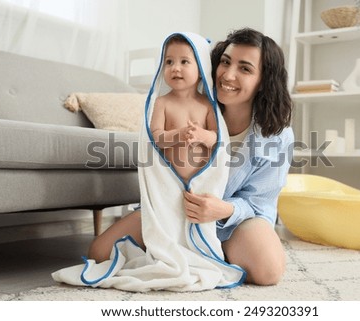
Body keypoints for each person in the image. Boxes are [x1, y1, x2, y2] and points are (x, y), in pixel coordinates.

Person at [88, 28, 294, 286]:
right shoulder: (195, 102)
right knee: (99, 255)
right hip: (173, 208)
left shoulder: (276, 136)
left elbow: (261, 202)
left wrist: (223, 210)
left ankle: (213, 251)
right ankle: (186, 249)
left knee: (268, 271)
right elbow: (158, 148)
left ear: (264, 80)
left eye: (245, 69)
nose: (228, 75)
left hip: (232, 218)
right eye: (225, 62)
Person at [150, 34, 217, 184]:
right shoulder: (162, 103)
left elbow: (218, 138)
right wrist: (178, 134)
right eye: (169, 62)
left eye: (184, 61)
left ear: (201, 70)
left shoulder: (207, 104)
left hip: (202, 181)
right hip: (169, 180)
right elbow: (156, 138)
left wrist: (203, 136)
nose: (175, 68)